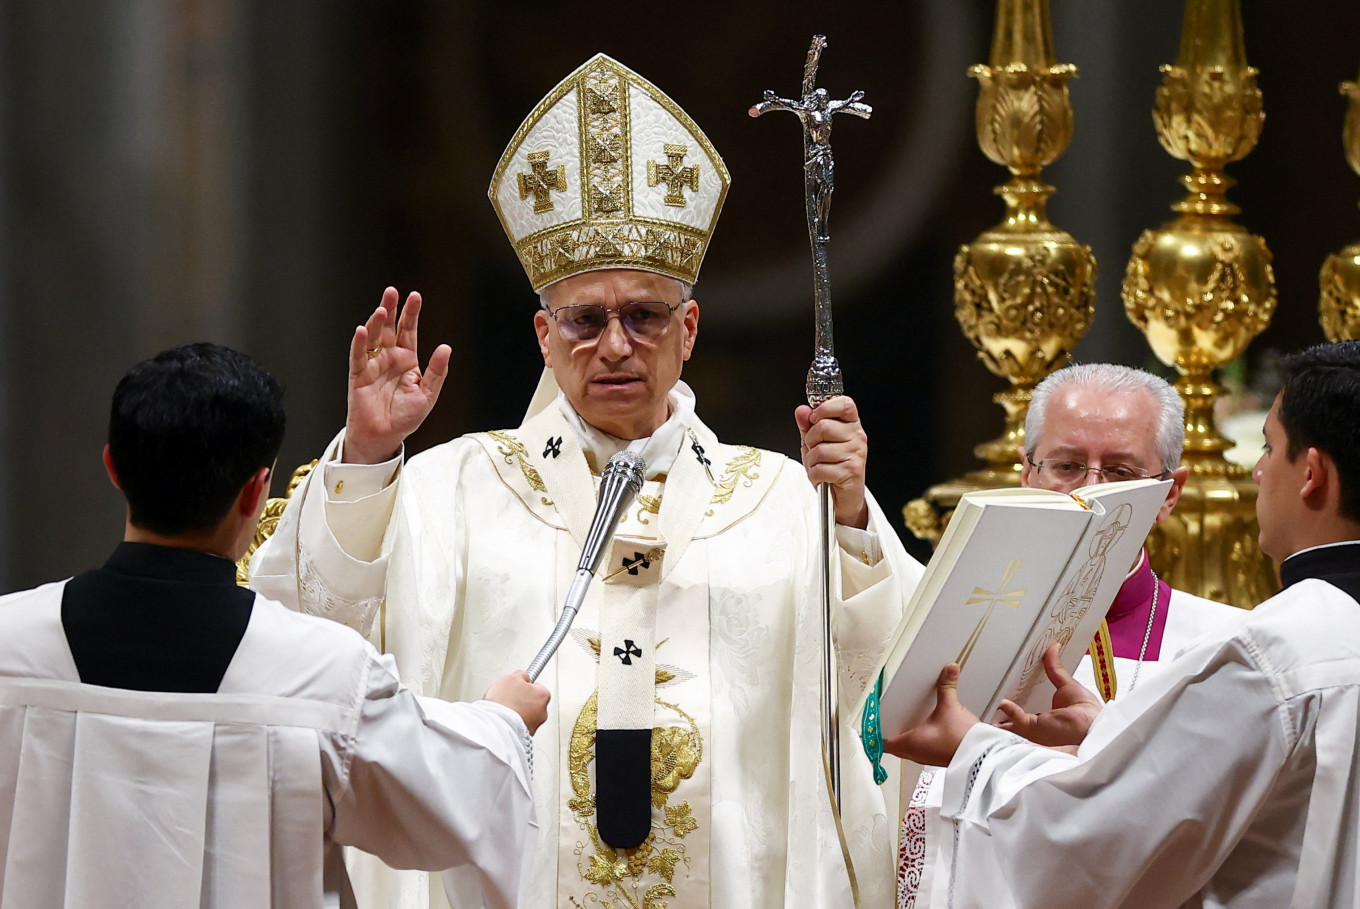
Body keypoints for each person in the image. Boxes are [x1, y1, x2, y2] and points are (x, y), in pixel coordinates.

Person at [250, 54, 922, 909]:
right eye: (585, 319)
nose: (614, 346)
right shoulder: (453, 488)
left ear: (689, 329)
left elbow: (883, 687)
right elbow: (316, 639)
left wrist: (854, 516)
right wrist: (373, 455)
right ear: (541, 332)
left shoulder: (782, 499)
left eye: (643, 316)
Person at [0, 343, 548, 909]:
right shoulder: (323, 676)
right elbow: (450, 805)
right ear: (257, 491)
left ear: (112, 466)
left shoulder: (8, 647)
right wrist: (503, 721)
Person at [887, 340, 1360, 908]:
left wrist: (974, 751)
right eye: (1065, 466)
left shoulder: (1272, 648)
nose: (1257, 470)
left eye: (1268, 447)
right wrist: (1107, 734)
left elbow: (1092, 841)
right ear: (1026, 472)